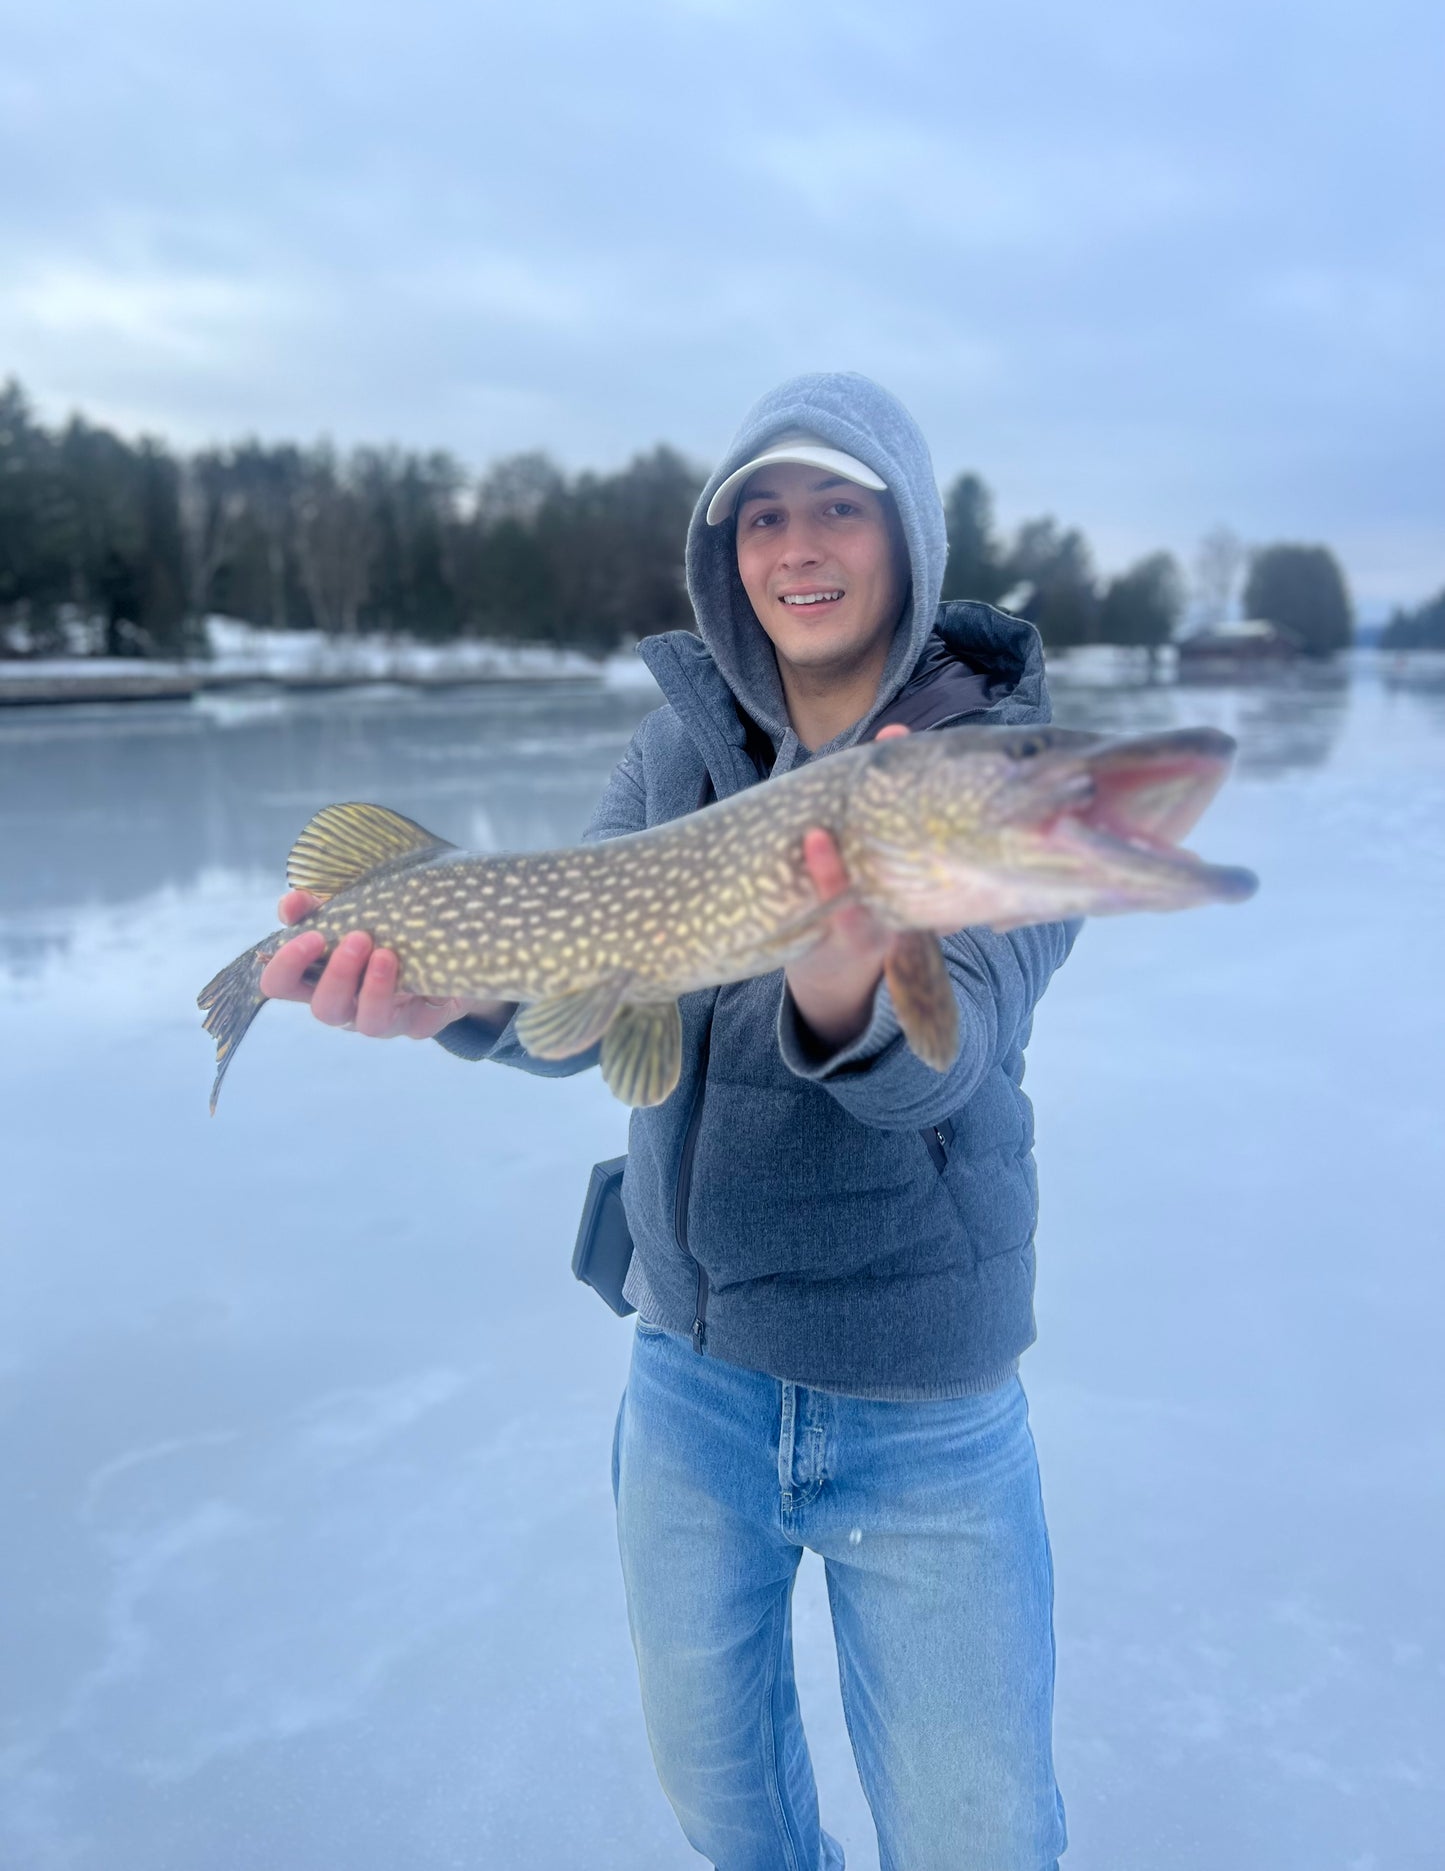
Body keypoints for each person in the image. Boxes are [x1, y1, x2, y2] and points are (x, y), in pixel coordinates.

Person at [261, 372, 1076, 1871]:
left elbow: (947, 1054)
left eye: (838, 504)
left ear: (907, 538)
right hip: (688, 1379)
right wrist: (451, 1003)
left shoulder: (982, 770)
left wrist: (841, 981)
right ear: (727, 554)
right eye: (763, 514)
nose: (798, 543)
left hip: (921, 1400)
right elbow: (587, 1012)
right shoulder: (675, 750)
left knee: (980, 1840)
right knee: (728, 1814)